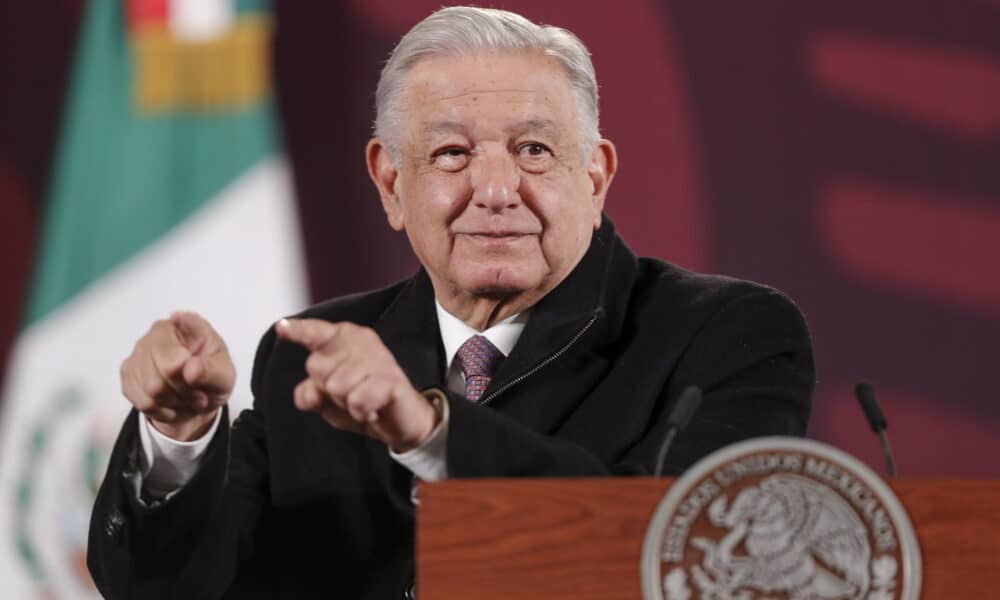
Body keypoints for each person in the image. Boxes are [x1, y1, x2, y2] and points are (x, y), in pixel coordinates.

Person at [88, 6, 814, 599]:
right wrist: (178, 436)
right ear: (389, 182)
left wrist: (429, 432)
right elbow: (170, 588)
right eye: (451, 155)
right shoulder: (315, 351)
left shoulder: (728, 335)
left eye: (534, 150)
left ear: (595, 176)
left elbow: (693, 559)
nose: (496, 191)